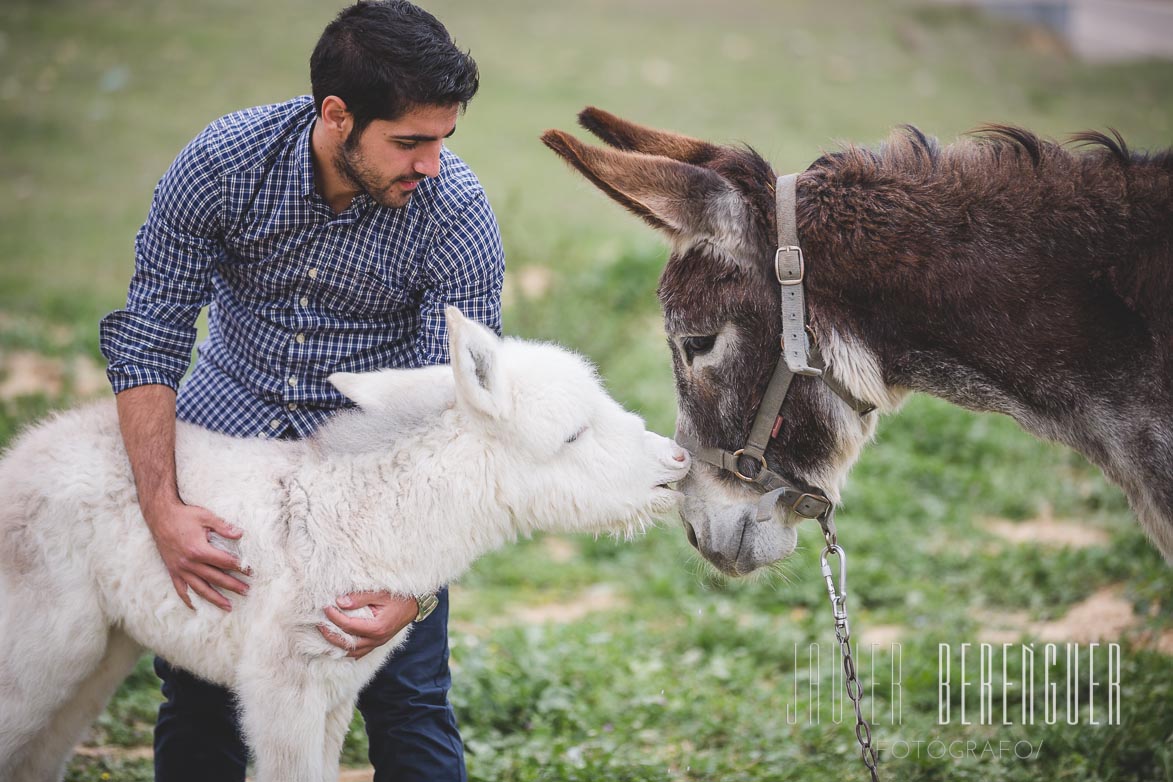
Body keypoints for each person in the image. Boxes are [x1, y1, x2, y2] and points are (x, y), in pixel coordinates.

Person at [98, 2, 503, 780]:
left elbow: (454, 413)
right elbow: (150, 334)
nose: (431, 165)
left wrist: (409, 590)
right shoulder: (223, 164)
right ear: (336, 115)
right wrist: (163, 510)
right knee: (201, 703)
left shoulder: (455, 214)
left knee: (409, 702)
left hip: (377, 486)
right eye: (410, 142)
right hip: (229, 462)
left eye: (444, 140)